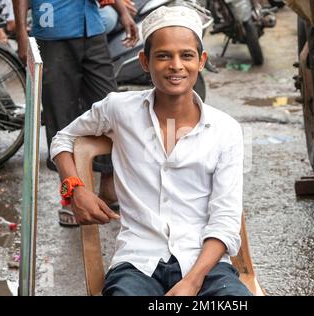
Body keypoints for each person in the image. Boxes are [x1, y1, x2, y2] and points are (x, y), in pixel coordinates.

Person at [50, 5, 251, 296]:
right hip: (137, 262)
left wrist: (192, 282)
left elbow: (225, 221)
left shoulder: (225, 130)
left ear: (201, 60)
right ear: (145, 61)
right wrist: (75, 188)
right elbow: (63, 139)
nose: (176, 66)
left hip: (205, 266)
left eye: (186, 56)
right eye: (163, 56)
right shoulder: (120, 109)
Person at [13, 0, 138, 226]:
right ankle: (70, 196)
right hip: (53, 31)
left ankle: (109, 188)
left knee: (110, 108)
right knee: (61, 113)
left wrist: (123, 13)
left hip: (92, 27)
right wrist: (22, 33)